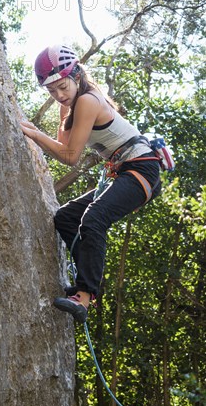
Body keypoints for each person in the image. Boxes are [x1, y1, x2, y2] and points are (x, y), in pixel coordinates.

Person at [20, 45, 162, 323]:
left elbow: (70, 157)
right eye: (52, 92)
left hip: (142, 168)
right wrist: (61, 113)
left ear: (76, 75)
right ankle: (87, 279)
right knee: (67, 217)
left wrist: (35, 134)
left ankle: (84, 296)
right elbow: (64, 144)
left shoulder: (86, 100)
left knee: (94, 218)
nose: (59, 95)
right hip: (126, 171)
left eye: (62, 87)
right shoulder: (73, 103)